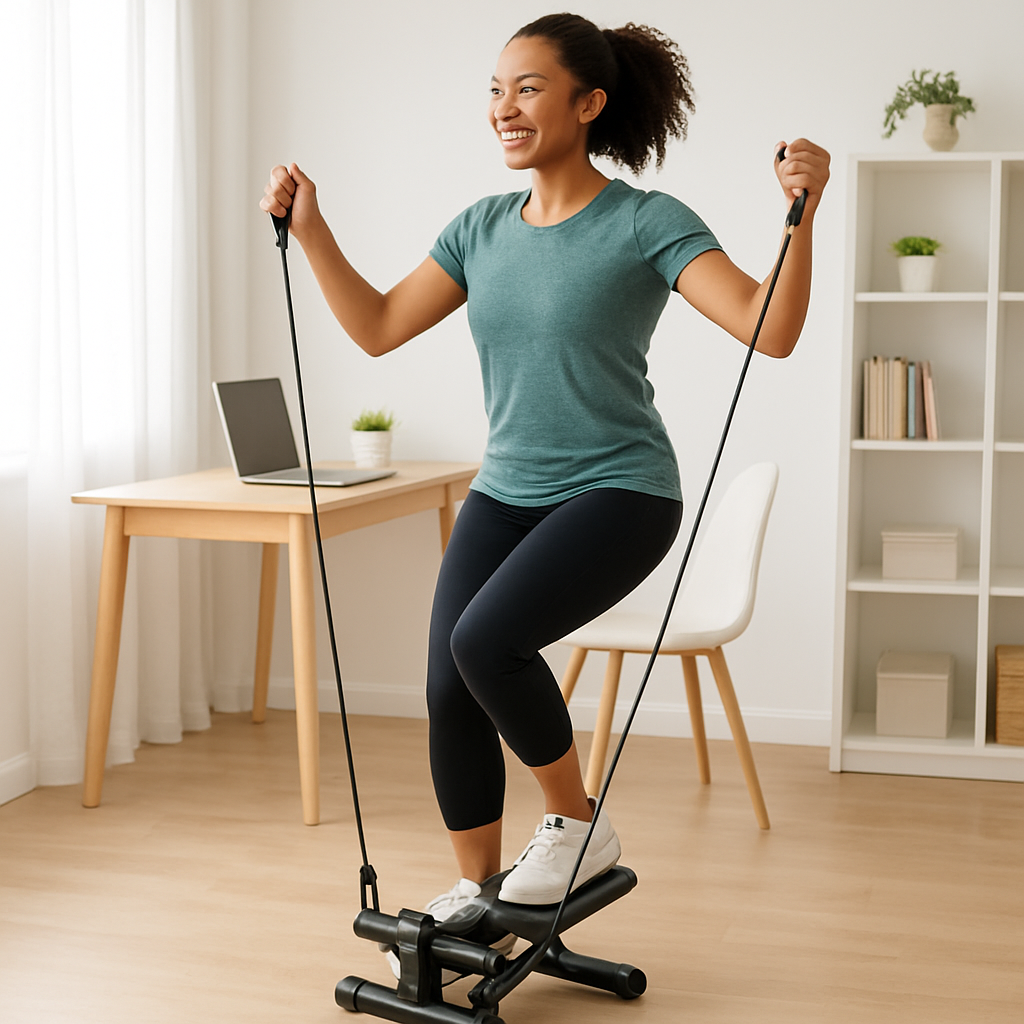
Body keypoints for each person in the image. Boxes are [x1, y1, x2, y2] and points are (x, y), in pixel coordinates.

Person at [261, 9, 828, 945]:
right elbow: (375, 328)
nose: (504, 107)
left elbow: (770, 330)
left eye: (527, 87)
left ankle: (576, 821)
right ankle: (476, 894)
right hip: (506, 491)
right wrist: (314, 230)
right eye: (495, 89)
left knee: (486, 643)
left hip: (620, 491)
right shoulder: (480, 229)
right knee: (451, 680)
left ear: (588, 103)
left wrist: (803, 217)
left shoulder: (648, 221)